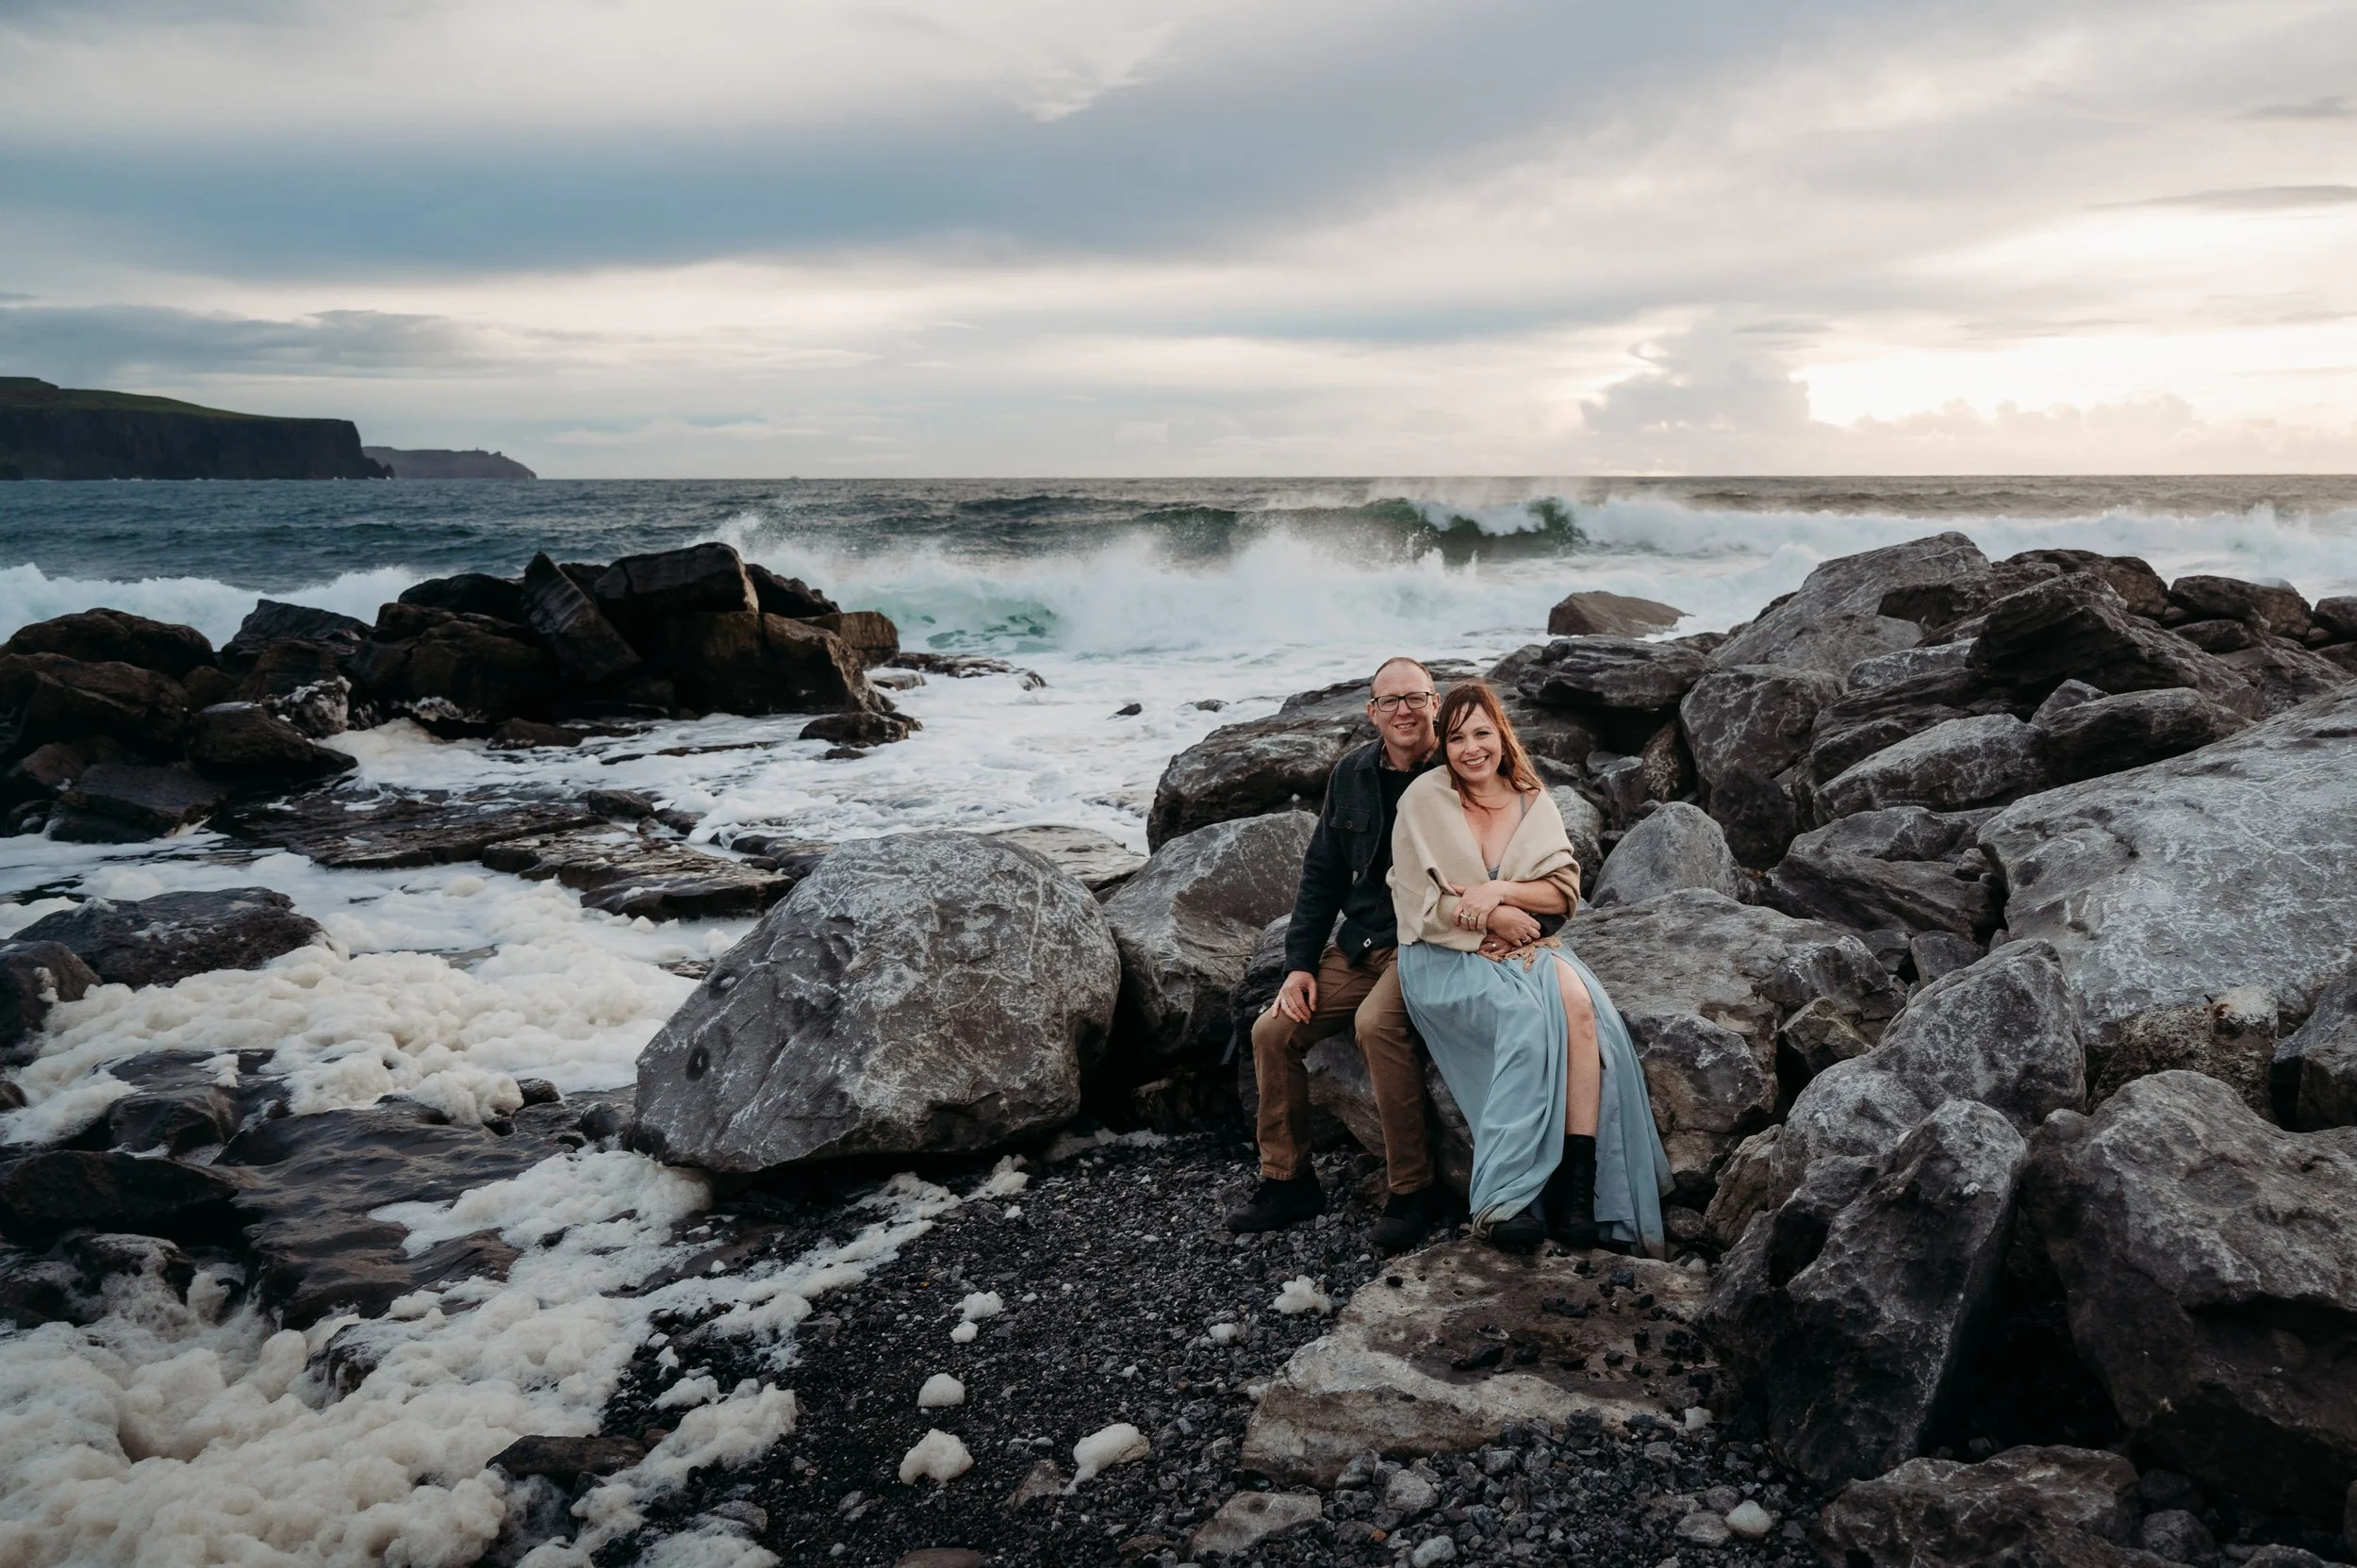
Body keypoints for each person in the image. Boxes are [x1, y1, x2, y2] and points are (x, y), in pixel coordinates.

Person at [1389, 680, 1671, 1256]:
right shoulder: (1422, 800)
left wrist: (1496, 893)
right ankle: (1504, 1198)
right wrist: (1495, 922)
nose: (1472, 749)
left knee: (1582, 1013)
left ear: (1502, 736)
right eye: (1458, 737)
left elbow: (1562, 892)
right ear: (1443, 743)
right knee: (1523, 1015)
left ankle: (1576, 1191)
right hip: (1443, 955)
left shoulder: (1530, 799)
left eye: (1483, 734)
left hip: (1529, 946)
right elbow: (1418, 901)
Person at [1226, 655, 1455, 1254]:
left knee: (1376, 1025)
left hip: (1427, 942)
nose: (1404, 710)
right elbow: (1322, 875)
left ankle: (1412, 1190)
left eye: (1416, 698)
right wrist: (1298, 965)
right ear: (1372, 712)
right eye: (1391, 701)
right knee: (1273, 1030)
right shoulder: (1350, 773)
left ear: (1436, 704)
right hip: (1362, 942)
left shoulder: (1458, 768)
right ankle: (1288, 1181)